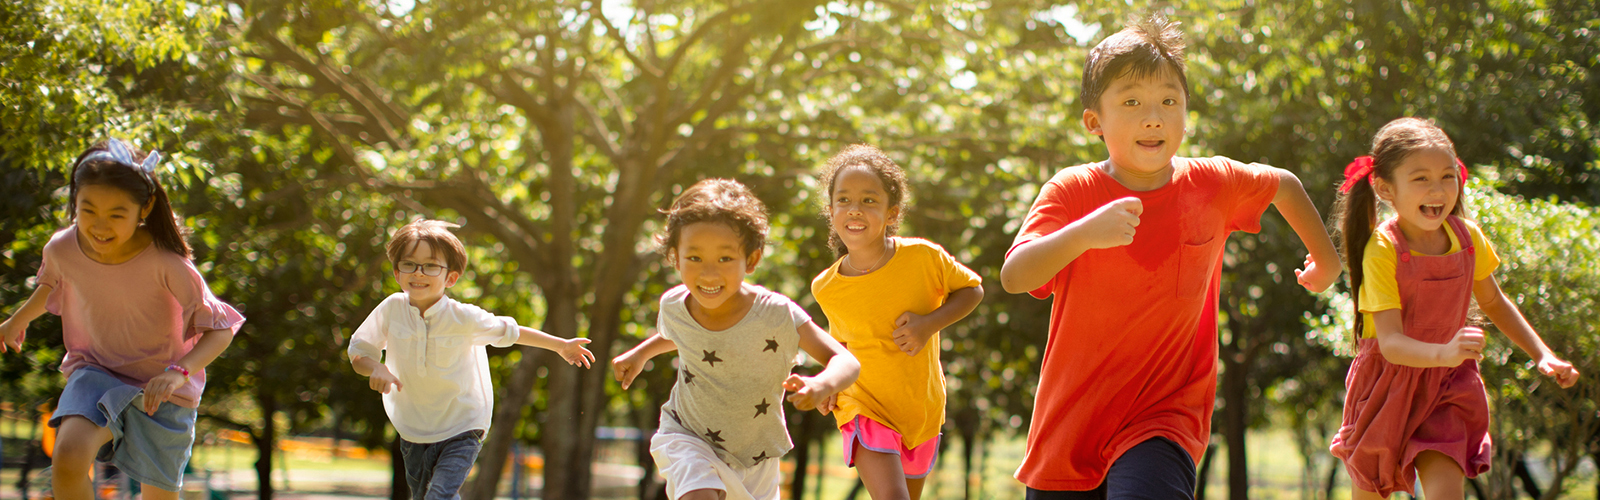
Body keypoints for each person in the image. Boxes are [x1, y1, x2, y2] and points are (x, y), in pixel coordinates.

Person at [998, 14, 1342, 499]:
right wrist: (1084, 234)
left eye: (1168, 101)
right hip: (1070, 424)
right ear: (1094, 121)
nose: (1153, 116)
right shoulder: (1073, 190)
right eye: (1132, 102)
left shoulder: (1212, 182)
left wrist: (1327, 261)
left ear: (1185, 112)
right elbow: (1015, 275)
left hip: (1165, 415)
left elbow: (1283, 183)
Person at [1327, 117, 1579, 500]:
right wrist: (1443, 352)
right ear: (1384, 188)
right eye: (1421, 178)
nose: (1438, 189)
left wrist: (1542, 354)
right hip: (1386, 386)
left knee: (1447, 491)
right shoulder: (1382, 248)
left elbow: (1494, 301)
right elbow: (1392, 342)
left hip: (1447, 386)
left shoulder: (1467, 237)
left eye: (1447, 176)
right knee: (1371, 492)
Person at [0, 138, 246, 499]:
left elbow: (220, 330)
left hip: (161, 390)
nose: (99, 226)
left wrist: (178, 373)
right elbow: (51, 286)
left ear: (144, 208)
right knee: (68, 457)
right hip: (95, 371)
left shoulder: (167, 262)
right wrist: (14, 322)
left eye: (116, 214)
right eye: (88, 211)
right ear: (74, 202)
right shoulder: (61, 248)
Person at [612, 178, 860, 500]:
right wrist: (641, 354)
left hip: (755, 454)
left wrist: (822, 384)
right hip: (687, 435)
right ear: (675, 257)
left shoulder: (776, 314)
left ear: (752, 260)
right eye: (694, 258)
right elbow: (680, 335)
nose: (709, 274)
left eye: (725, 259)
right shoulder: (674, 306)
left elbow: (846, 360)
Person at [347, 219, 595, 500]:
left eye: (430, 265)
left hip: (463, 425)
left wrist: (561, 345)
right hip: (413, 427)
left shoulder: (464, 317)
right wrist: (376, 368)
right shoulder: (391, 309)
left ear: (450, 278)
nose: (419, 273)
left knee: (437, 497)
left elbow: (511, 331)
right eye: (409, 264)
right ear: (396, 272)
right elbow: (359, 351)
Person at [809, 145, 983, 500]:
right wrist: (828, 383)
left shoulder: (923, 257)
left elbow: (972, 290)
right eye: (844, 200)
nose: (855, 209)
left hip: (921, 410)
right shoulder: (825, 287)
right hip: (863, 405)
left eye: (869, 200)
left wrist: (928, 324)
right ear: (831, 212)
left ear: (892, 213)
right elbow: (838, 346)